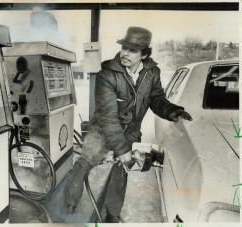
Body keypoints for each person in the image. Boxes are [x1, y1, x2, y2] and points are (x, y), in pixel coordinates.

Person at [64, 26, 192, 223]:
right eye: (124, 48)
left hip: (131, 131)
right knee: (83, 164)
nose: (124, 53)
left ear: (144, 54)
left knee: (121, 172)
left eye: (132, 50)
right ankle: (70, 201)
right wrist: (122, 150)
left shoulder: (152, 73)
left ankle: (112, 214)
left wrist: (172, 111)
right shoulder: (107, 74)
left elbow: (156, 99)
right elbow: (108, 117)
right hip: (102, 130)